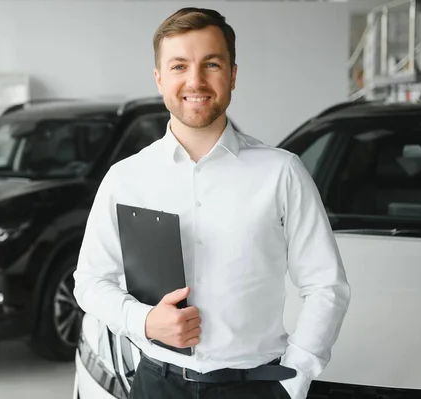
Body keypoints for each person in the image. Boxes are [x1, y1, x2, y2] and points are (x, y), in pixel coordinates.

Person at [73, 7, 351, 399]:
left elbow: (326, 285)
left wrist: (296, 376)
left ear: (233, 74)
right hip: (157, 385)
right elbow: (89, 282)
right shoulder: (125, 178)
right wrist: (145, 320)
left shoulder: (282, 172)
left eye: (211, 64)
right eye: (178, 66)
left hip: (255, 387)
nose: (195, 80)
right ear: (159, 79)